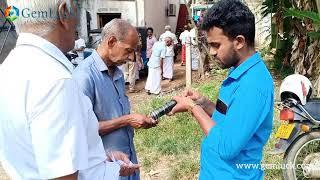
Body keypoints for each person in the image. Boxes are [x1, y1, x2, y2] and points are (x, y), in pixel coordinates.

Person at [0, 1, 138, 180]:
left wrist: (100, 161)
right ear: (64, 12)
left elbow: (41, 152)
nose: (77, 24)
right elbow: (61, 174)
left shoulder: (10, 68)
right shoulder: (56, 80)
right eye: (77, 9)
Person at [169, 0, 274, 179]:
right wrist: (203, 104)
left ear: (239, 41)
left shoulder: (254, 85)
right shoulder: (239, 72)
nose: (211, 52)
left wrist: (193, 109)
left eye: (216, 45)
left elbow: (227, 147)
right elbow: (230, 117)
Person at [73, 19, 157, 180]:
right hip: (103, 170)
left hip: (128, 160)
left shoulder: (117, 72)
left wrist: (135, 121)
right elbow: (80, 130)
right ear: (111, 41)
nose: (131, 57)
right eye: (128, 50)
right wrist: (127, 120)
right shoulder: (84, 77)